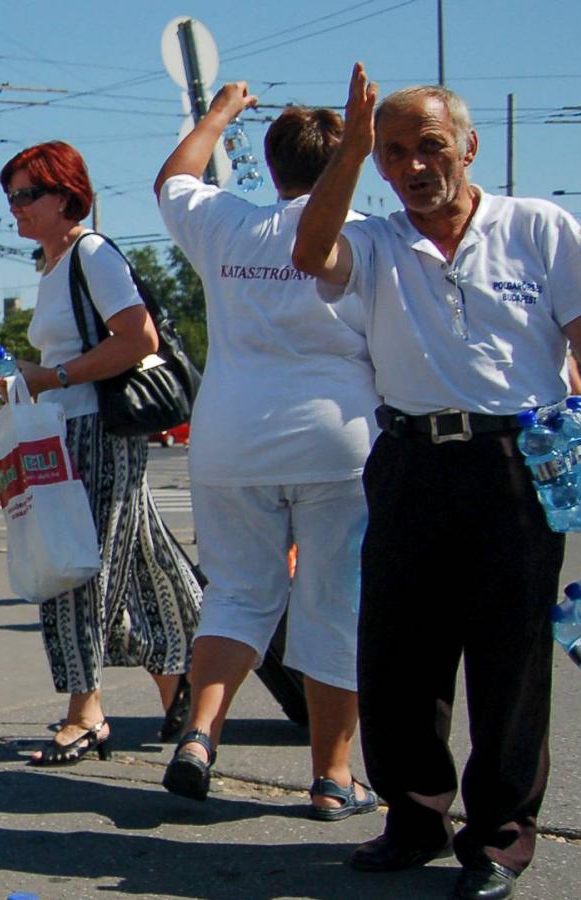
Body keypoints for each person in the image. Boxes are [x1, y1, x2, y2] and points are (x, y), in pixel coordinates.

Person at [291, 65, 581, 900]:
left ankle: (500, 836)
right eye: (394, 152)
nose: (412, 166)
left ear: (468, 148)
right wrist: (350, 151)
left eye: (430, 147)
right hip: (410, 461)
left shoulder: (537, 228)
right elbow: (310, 252)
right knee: (400, 653)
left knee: (510, 661)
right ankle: (413, 818)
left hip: (517, 464)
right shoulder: (372, 240)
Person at [153, 83, 380, 820]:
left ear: (273, 167)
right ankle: (332, 775)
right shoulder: (370, 235)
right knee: (331, 605)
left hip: (231, 437)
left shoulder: (227, 225)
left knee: (238, 594)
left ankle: (198, 736)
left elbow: (172, 182)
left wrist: (218, 115)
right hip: (335, 439)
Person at [0, 140, 202, 766]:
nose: (16, 209)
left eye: (27, 195)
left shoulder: (91, 253)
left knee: (77, 569)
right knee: (144, 567)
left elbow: (138, 337)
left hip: (96, 432)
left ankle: (85, 713)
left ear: (65, 195)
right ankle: (184, 697)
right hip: (72, 433)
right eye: (11, 198)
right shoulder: (55, 263)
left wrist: (54, 378)